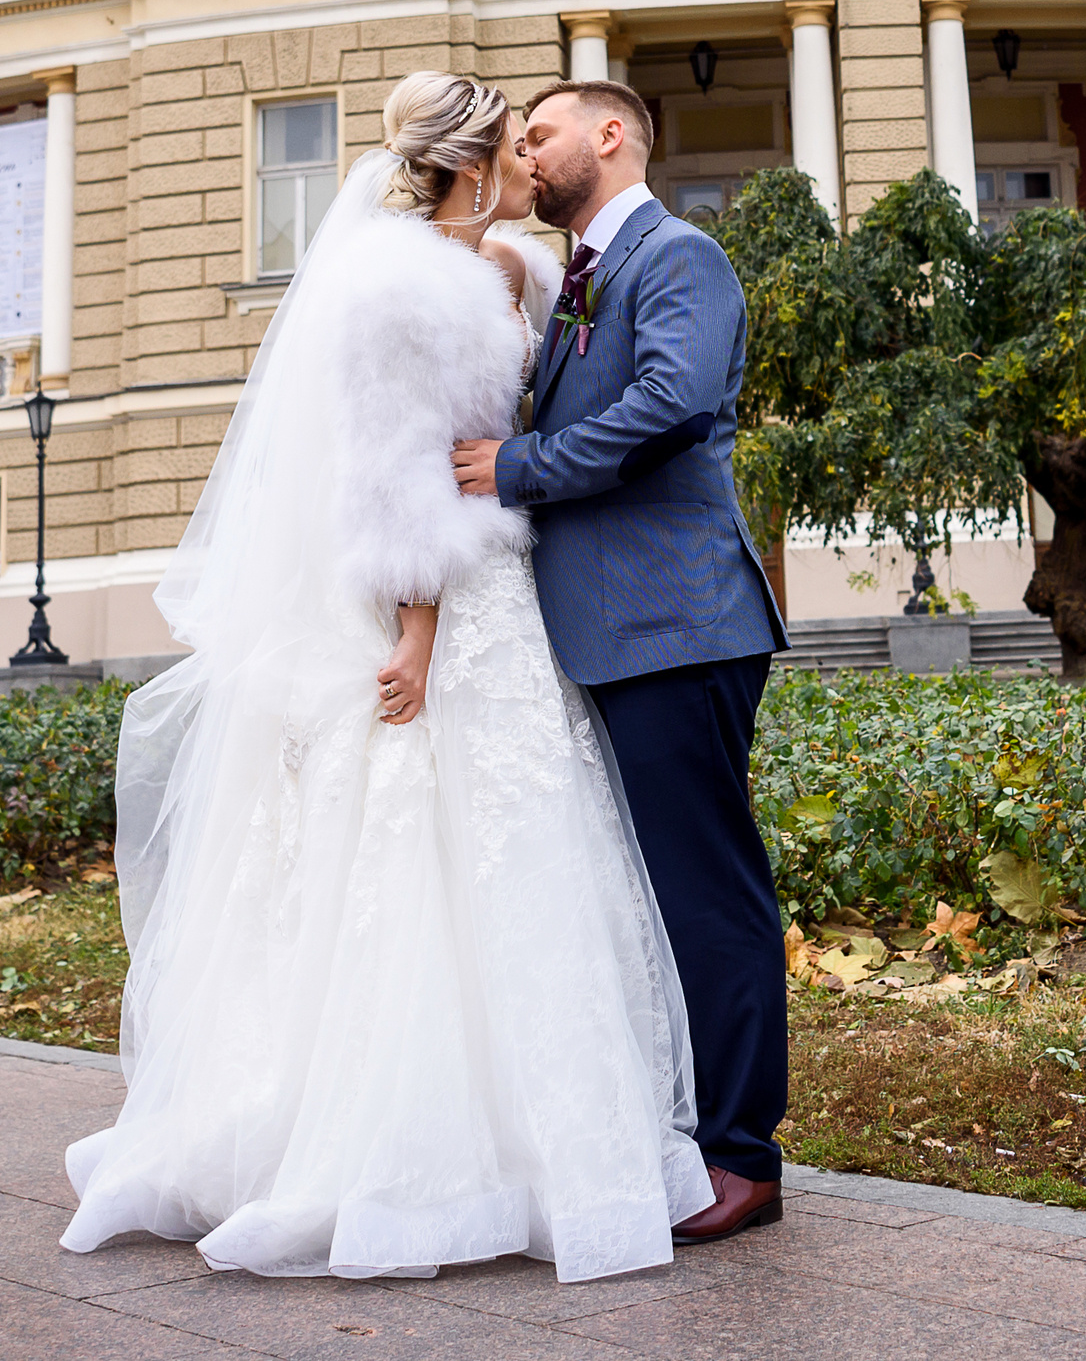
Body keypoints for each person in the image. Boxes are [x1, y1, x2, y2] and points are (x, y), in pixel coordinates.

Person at [62, 74, 708, 1283]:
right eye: (517, 144)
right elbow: (406, 474)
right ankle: (443, 1154)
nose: (531, 159)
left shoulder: (487, 265)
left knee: (482, 852)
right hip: (449, 602)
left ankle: (509, 1140)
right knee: (450, 854)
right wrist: (417, 632)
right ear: (473, 165)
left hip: (490, 593)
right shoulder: (418, 286)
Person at [452, 79, 789, 1241]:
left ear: (610, 135)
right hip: (618, 631)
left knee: (707, 890)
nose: (524, 153)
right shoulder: (581, 277)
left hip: (678, 625)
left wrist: (515, 465)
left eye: (537, 133)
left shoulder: (677, 255)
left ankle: (745, 1154)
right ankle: (687, 1129)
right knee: (653, 895)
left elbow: (666, 405)